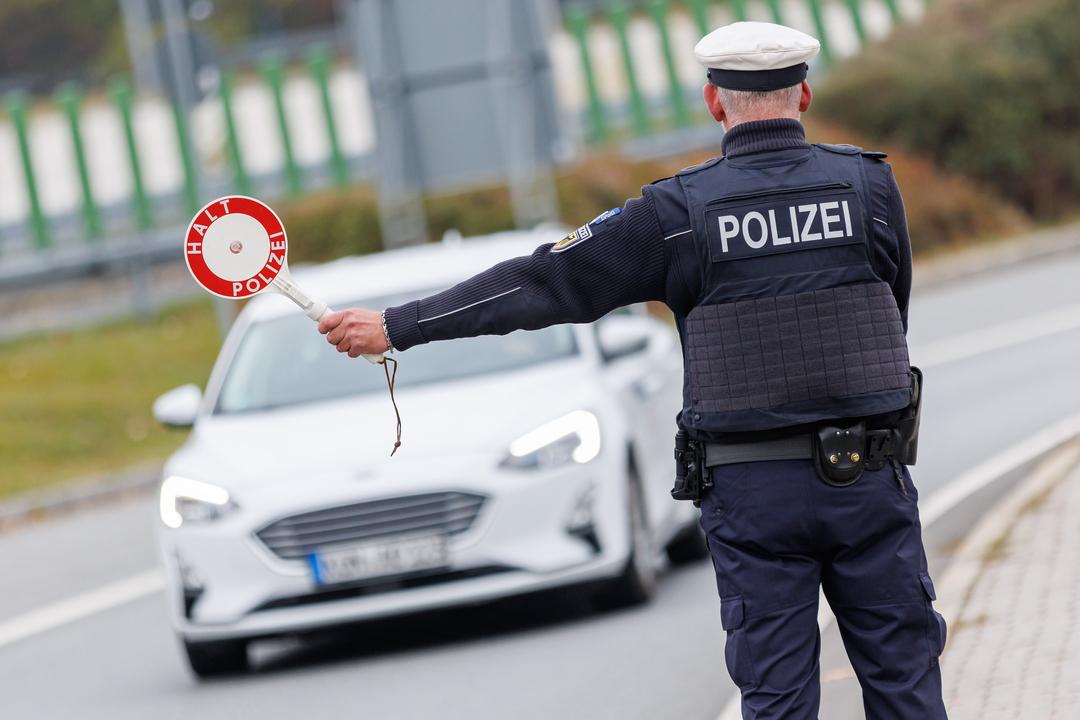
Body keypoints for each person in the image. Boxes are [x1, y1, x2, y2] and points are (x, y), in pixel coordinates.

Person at [318, 20, 948, 720]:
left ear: (715, 102)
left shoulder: (674, 215)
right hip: (868, 474)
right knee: (905, 683)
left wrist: (397, 325)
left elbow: (540, 282)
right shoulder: (870, 186)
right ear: (803, 93)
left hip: (752, 493)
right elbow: (893, 312)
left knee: (776, 700)